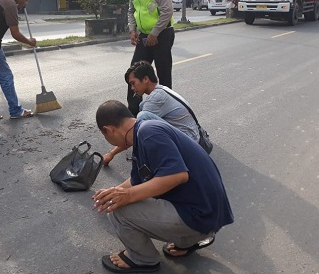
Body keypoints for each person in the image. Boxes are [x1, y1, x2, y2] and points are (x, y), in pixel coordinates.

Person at [93, 100, 233, 273]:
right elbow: (137, 181)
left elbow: (177, 175)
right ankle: (187, 241)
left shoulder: (148, 133)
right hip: (207, 214)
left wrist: (126, 197)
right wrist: (112, 192)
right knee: (127, 197)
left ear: (108, 130)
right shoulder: (145, 131)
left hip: (200, 217)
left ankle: (143, 260)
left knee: (118, 211)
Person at [103, 60, 199, 166]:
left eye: (133, 83)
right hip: (191, 138)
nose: (132, 88)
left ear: (145, 79)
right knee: (143, 111)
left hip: (190, 144)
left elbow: (134, 131)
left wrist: (111, 153)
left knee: (143, 118)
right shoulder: (161, 89)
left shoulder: (156, 98)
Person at [116, 0, 175, 117]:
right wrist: (132, 30)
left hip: (162, 35)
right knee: (134, 74)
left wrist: (155, 34)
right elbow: (131, 10)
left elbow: (167, 10)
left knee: (163, 75)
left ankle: (166, 111)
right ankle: (133, 112)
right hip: (143, 36)